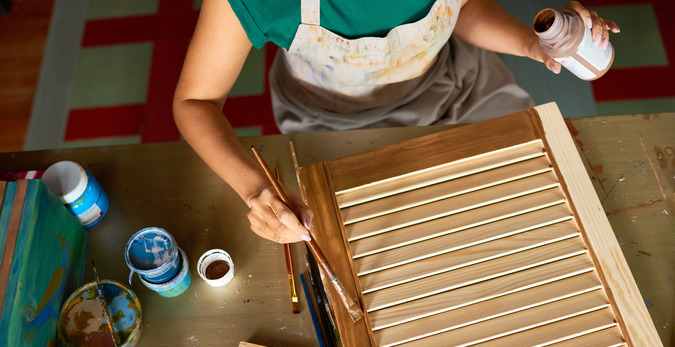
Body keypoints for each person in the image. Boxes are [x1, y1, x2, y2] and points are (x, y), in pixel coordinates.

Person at [173, 0, 618, 244]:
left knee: (523, 200)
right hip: (331, 122)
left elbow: (460, 8)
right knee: (385, 240)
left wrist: (531, 44)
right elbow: (195, 100)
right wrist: (256, 190)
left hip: (454, 87)